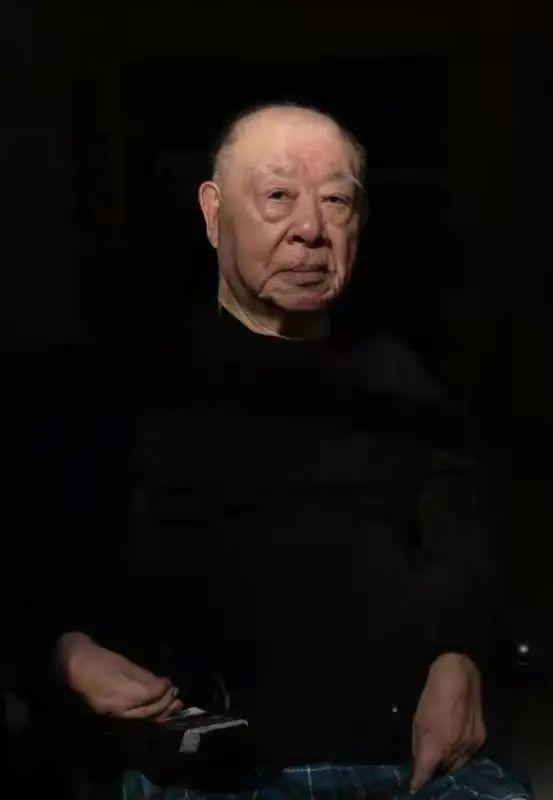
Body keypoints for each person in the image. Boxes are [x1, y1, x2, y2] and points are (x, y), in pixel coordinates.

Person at [55, 104, 531, 799]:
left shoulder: (405, 381)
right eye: (278, 196)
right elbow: (47, 568)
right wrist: (69, 654)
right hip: (213, 769)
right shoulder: (131, 390)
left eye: (335, 201)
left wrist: (459, 658)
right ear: (214, 213)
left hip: (409, 763)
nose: (310, 228)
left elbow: (461, 543)